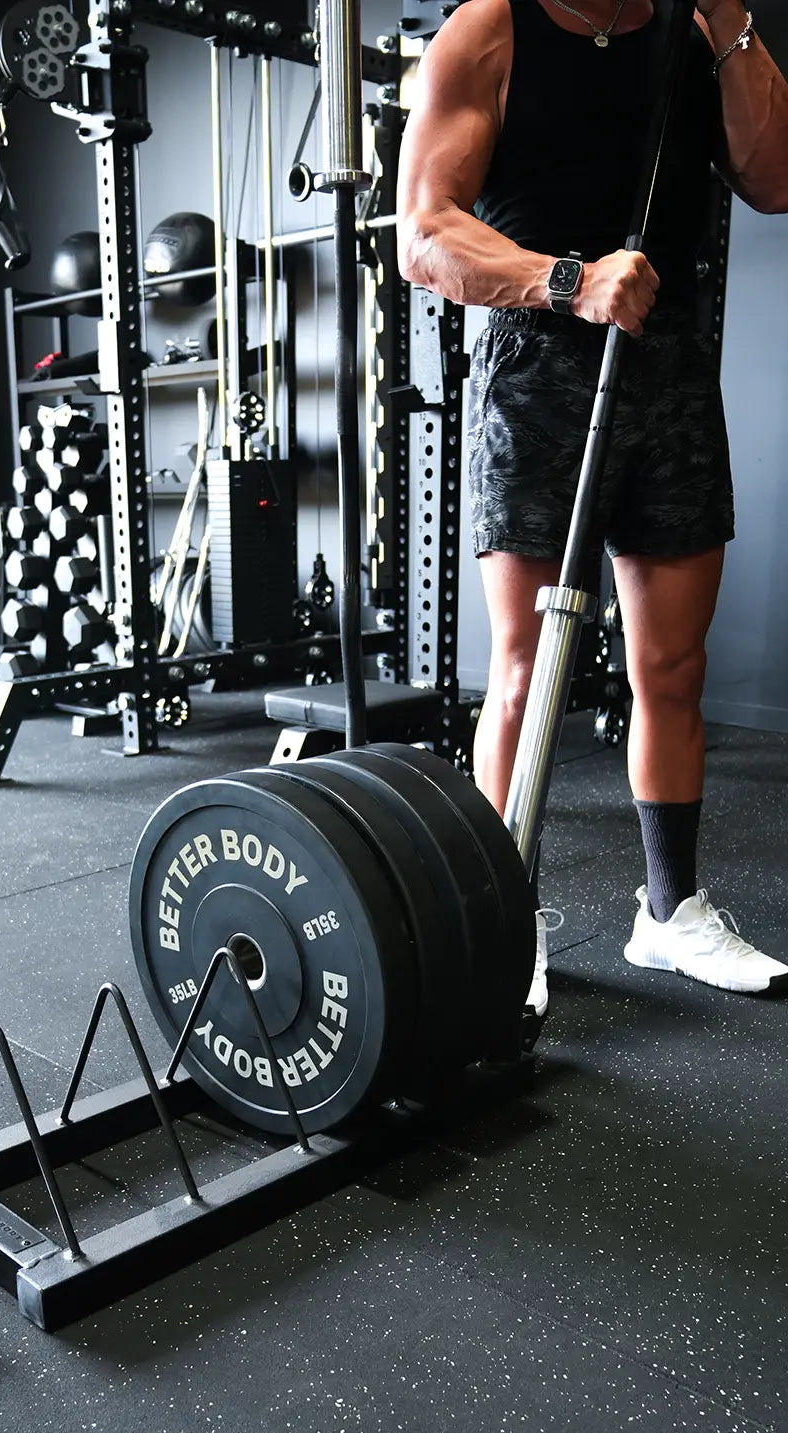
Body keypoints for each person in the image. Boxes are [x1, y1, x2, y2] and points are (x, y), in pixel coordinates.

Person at [396, 0, 788, 1019]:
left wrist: (736, 22)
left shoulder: (705, 31)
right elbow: (423, 234)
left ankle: (668, 912)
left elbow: (775, 179)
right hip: (539, 372)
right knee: (529, 670)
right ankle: (503, 917)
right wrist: (566, 280)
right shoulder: (489, 31)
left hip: (671, 372)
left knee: (670, 664)